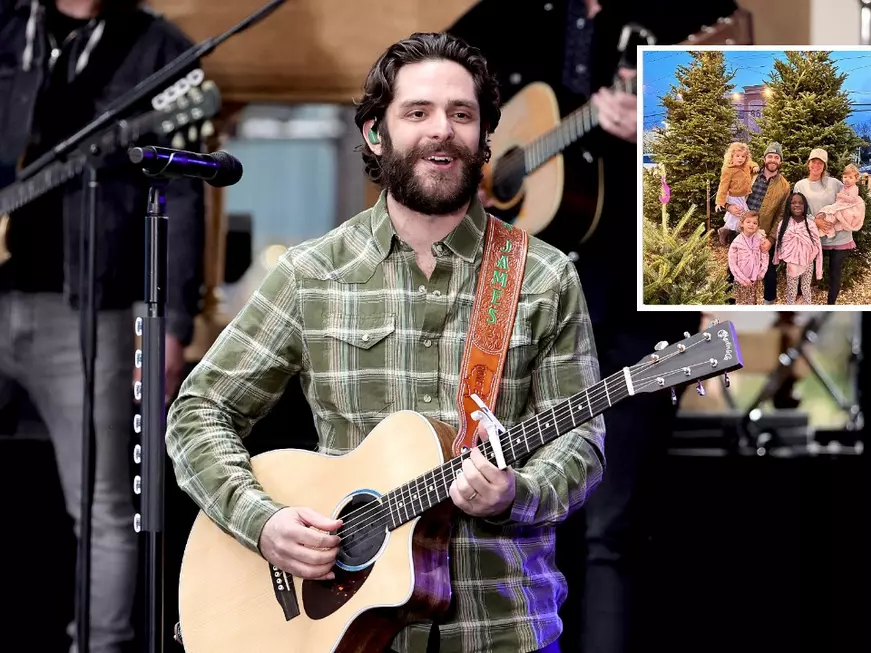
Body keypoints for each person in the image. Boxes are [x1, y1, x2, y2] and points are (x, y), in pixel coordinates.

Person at [165, 32, 605, 653]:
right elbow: (198, 412)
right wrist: (262, 523)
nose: (442, 131)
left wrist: (516, 491)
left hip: (502, 627)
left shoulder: (543, 275)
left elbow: (581, 443)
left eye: (462, 114)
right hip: (343, 632)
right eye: (417, 112)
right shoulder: (312, 273)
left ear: (485, 138)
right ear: (376, 133)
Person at [447, 2, 737, 651]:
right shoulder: (508, 16)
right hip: (523, 309)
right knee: (520, 519)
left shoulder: (694, 12)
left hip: (637, 308)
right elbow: (423, 80)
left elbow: (743, 138)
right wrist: (479, 162)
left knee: (614, 526)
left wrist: (667, 121)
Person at [0, 1, 205, 652]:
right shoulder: (8, 27)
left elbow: (185, 193)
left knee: (105, 505)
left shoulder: (157, 47)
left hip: (94, 307)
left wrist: (174, 320)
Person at [725, 141, 791, 305]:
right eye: (770, 156)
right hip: (741, 230)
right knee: (733, 269)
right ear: (764, 158)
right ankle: (727, 302)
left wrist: (771, 239)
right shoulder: (749, 174)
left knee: (769, 273)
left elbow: (781, 216)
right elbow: (729, 190)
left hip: (763, 234)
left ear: (780, 161)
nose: (773, 160)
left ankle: (769, 305)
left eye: (776, 157)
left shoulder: (784, 186)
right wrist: (728, 206)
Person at [792, 148, 848, 304]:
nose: (816, 166)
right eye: (813, 162)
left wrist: (835, 220)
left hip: (838, 235)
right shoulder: (800, 185)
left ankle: (831, 305)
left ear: (824, 166)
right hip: (813, 234)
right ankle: (800, 297)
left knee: (835, 271)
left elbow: (848, 202)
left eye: (820, 163)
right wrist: (815, 221)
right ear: (808, 164)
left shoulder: (835, 183)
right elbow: (797, 209)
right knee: (803, 266)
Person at [773, 192, 822, 305]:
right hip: (792, 263)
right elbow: (780, 242)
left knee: (806, 289)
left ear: (805, 205)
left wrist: (818, 268)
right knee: (791, 290)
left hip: (808, 262)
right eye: (793, 202)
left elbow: (816, 244)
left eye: (800, 203)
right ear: (788, 206)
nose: (797, 205)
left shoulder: (810, 224)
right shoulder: (784, 224)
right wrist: (777, 258)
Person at [716, 141, 759, 245]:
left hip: (742, 196)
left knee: (735, 217)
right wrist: (720, 202)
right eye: (737, 156)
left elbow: (751, 163)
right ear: (732, 156)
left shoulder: (745, 165)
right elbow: (723, 186)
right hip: (734, 196)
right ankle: (743, 237)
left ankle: (725, 230)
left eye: (743, 156)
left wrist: (755, 167)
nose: (740, 158)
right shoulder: (728, 169)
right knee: (743, 215)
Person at [814, 162, 865, 239]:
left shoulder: (854, 188)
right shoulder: (844, 187)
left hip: (848, 206)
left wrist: (842, 196)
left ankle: (828, 230)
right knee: (829, 210)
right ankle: (824, 222)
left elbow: (853, 199)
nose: (847, 179)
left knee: (833, 213)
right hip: (841, 204)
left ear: (856, 179)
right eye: (845, 177)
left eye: (850, 177)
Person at [727, 211, 768, 305]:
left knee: (753, 303)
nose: (751, 225)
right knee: (741, 303)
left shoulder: (760, 240)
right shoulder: (736, 242)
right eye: (748, 222)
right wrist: (742, 279)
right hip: (741, 281)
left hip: (756, 280)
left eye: (755, 223)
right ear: (742, 224)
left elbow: (765, 256)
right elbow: (732, 263)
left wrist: (761, 273)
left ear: (758, 226)